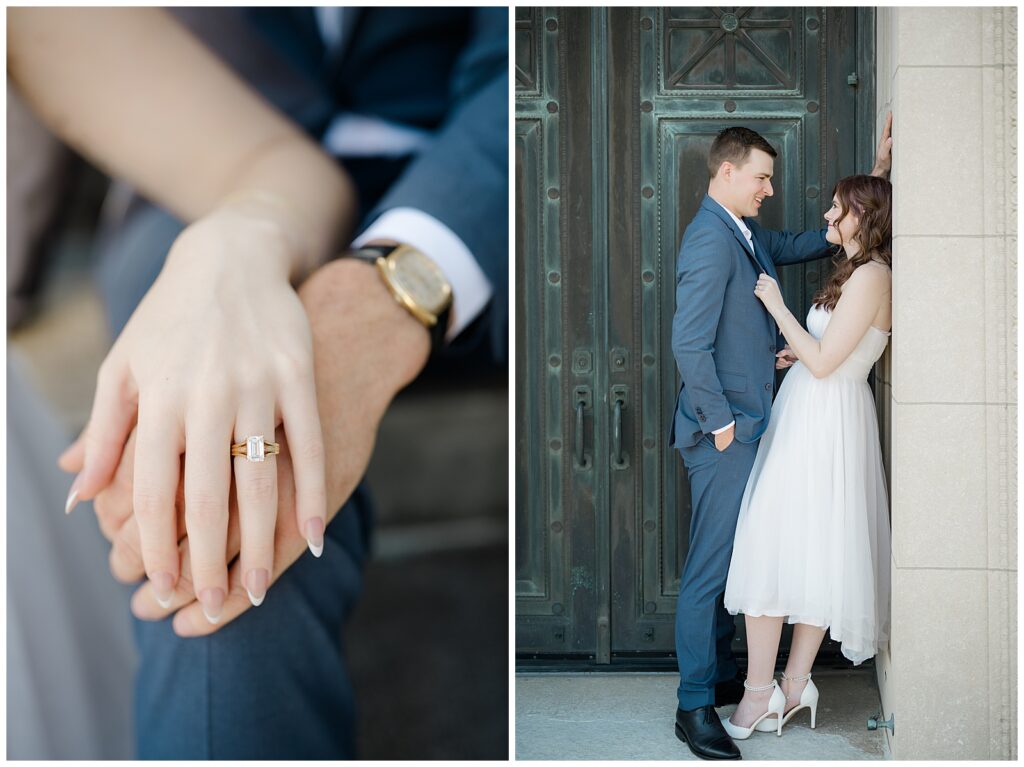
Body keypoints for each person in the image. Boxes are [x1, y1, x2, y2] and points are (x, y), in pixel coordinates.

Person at [8, 7, 506, 758]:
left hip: (479, 178)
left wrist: (381, 298)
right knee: (201, 483)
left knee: (226, 483)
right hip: (189, 180)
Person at [669, 120, 891, 761]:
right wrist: (721, 422)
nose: (770, 187)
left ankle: (725, 682)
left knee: (737, 561)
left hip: (765, 422)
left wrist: (877, 180)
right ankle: (693, 707)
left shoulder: (747, 234)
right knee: (711, 571)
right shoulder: (711, 240)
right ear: (728, 173)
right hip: (725, 433)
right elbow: (690, 343)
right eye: (762, 177)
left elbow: (821, 238)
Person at [721, 175, 892, 740]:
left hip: (826, 422)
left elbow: (826, 364)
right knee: (797, 545)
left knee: (786, 545)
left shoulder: (874, 276)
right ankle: (791, 688)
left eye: (838, 208)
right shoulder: (857, 273)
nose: (827, 213)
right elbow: (829, 351)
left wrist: (776, 305)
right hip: (810, 414)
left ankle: (766, 690)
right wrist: (881, 164)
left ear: (862, 218)